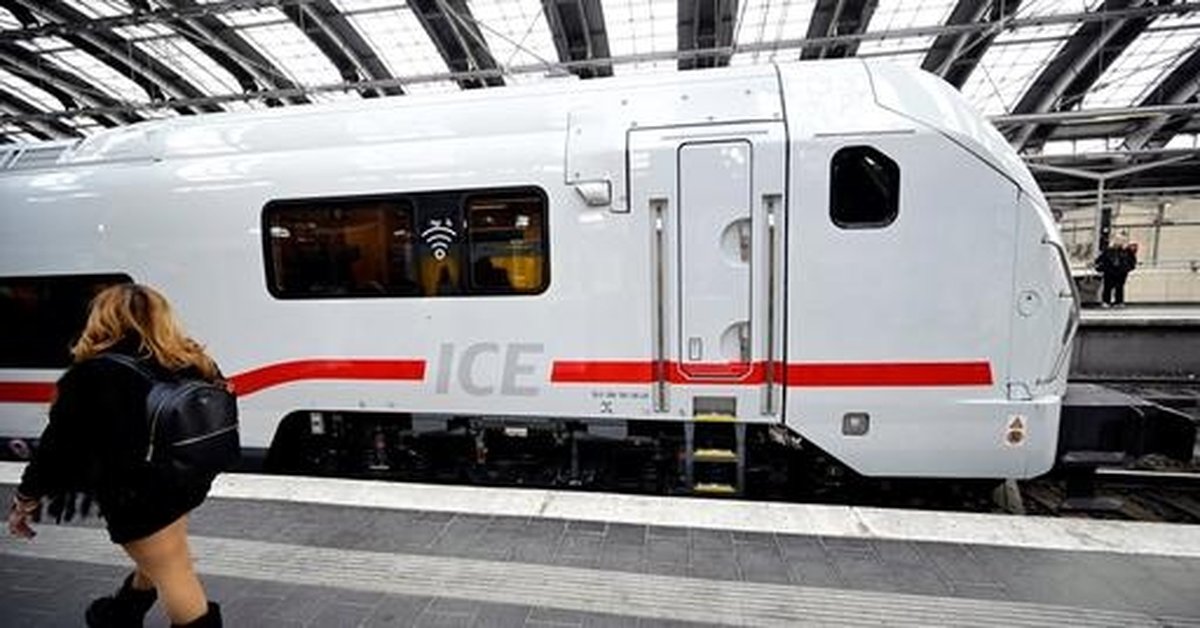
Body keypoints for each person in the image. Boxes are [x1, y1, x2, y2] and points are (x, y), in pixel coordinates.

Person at [6, 283, 224, 627]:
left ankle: (124, 615)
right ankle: (122, 613)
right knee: (164, 554)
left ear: (102, 319)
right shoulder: (192, 360)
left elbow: (56, 447)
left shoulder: (93, 374)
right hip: (187, 479)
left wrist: (26, 497)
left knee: (175, 574)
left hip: (134, 494)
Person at [1094, 235, 1138, 307]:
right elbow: (1132, 261)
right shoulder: (1126, 252)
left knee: (1108, 287)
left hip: (1110, 271)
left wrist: (1100, 267)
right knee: (1118, 287)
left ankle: (1107, 301)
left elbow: (1100, 260)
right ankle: (1118, 302)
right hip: (1121, 272)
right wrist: (1128, 268)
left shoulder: (1108, 251)